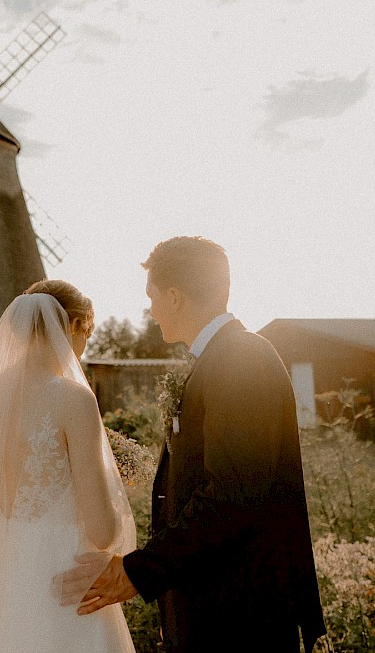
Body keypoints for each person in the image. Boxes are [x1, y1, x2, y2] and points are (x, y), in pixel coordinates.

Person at [56, 237, 326, 651]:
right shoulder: (222, 357)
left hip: (239, 616)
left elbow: (233, 495)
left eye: (153, 297)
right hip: (216, 604)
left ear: (176, 296)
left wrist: (139, 571)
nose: (150, 310)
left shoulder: (240, 359)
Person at [0, 280, 137, 652]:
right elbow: (103, 531)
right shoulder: (73, 399)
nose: (81, 348)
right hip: (63, 584)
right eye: (86, 335)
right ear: (73, 325)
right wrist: (110, 483)